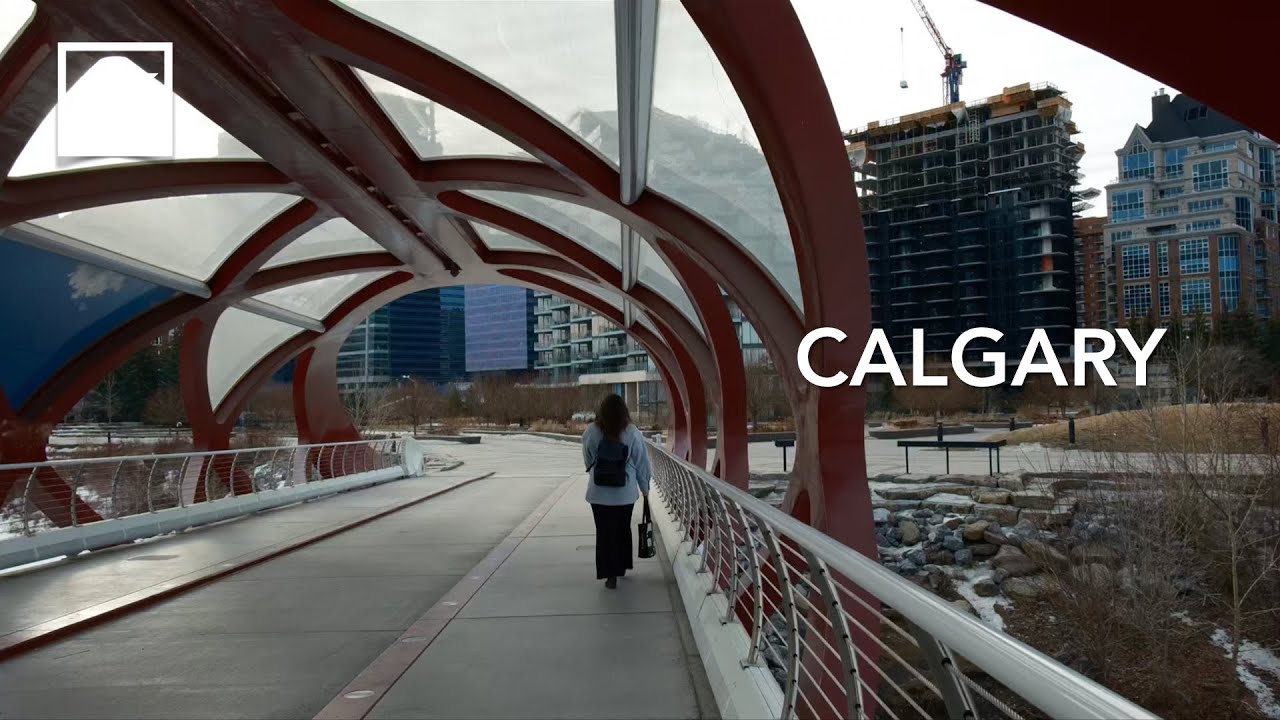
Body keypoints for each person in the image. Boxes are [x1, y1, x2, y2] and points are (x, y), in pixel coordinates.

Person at [582, 393, 651, 589]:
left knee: (604, 533)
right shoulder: (632, 432)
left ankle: (608, 574)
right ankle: (621, 566)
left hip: (598, 494)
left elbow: (587, 457)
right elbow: (641, 463)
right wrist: (645, 488)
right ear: (624, 412)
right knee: (622, 529)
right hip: (625, 495)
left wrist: (593, 471)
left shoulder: (591, 431)